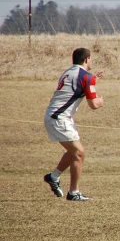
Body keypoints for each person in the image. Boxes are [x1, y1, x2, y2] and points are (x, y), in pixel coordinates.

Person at [43, 47, 104, 201]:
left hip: (57, 116)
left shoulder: (69, 72)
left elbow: (77, 86)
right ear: (86, 59)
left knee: (73, 152)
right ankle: (74, 193)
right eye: (91, 58)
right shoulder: (86, 77)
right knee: (79, 153)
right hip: (60, 118)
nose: (91, 61)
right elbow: (94, 105)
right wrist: (100, 101)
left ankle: (53, 176)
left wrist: (93, 79)